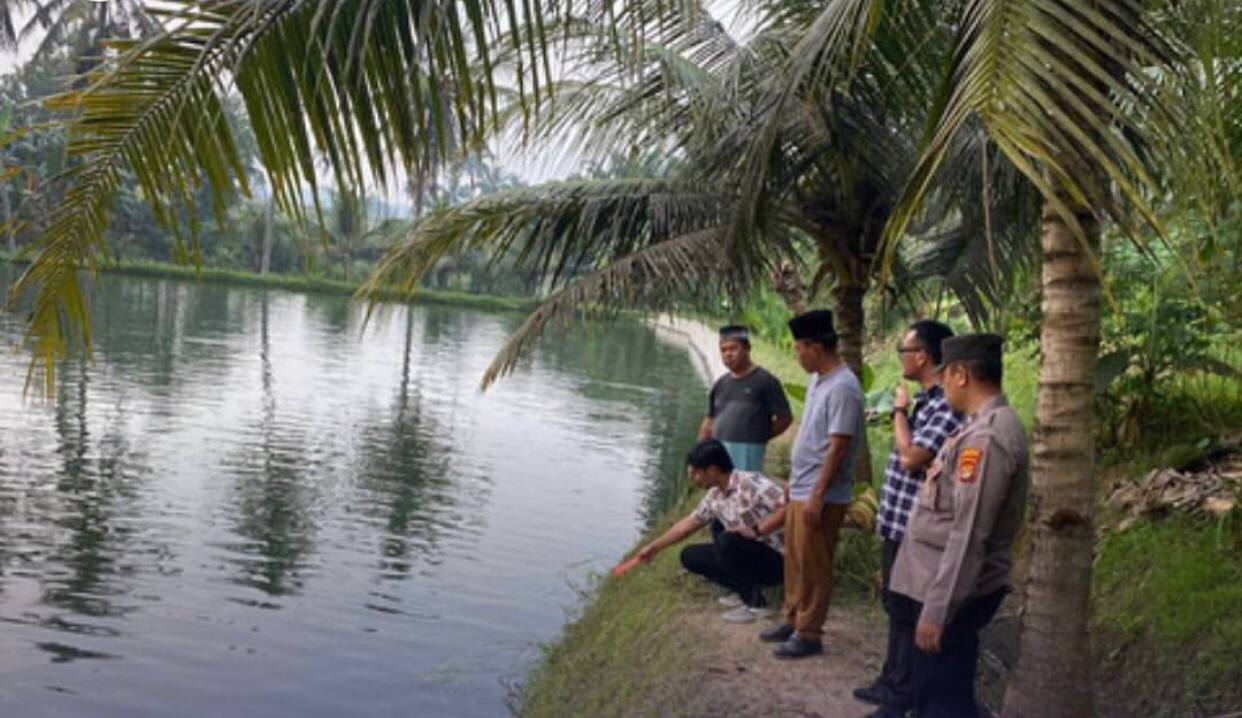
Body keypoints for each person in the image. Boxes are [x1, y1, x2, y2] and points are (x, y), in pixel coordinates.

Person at [885, 333, 1030, 718]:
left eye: (944, 375)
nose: (943, 384)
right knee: (938, 690)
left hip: (952, 593)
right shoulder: (979, 427)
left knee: (942, 698)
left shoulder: (986, 439)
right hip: (942, 585)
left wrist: (937, 610)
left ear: (961, 375)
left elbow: (969, 534)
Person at [855, 320, 961, 711]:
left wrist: (898, 412)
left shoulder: (945, 406)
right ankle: (892, 680)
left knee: (909, 610)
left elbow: (912, 457)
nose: (900, 356)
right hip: (898, 524)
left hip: (918, 529)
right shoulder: (925, 401)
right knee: (896, 605)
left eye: (904, 349)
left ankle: (905, 694)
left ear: (922, 356)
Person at [759, 309, 865, 659]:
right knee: (796, 559)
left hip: (822, 494)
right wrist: (794, 481)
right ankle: (792, 616)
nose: (797, 356)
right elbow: (811, 434)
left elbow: (838, 446)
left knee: (816, 564)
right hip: (802, 488)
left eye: (799, 349)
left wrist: (818, 493)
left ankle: (809, 632)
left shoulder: (844, 387)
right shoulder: (819, 380)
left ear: (816, 347)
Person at [636, 439, 787, 622]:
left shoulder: (751, 483)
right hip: (749, 554)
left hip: (778, 558)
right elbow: (689, 524)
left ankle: (756, 604)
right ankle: (744, 588)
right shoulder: (714, 495)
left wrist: (758, 530)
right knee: (690, 556)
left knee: (727, 541)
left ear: (713, 470)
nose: (692, 478)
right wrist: (655, 546)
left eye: (695, 473)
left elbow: (789, 507)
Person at [698, 324, 793, 472]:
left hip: (748, 458)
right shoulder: (720, 384)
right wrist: (699, 453)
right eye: (723, 350)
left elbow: (785, 418)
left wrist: (760, 436)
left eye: (733, 348)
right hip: (719, 459)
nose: (728, 354)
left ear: (747, 348)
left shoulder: (766, 381)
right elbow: (710, 420)